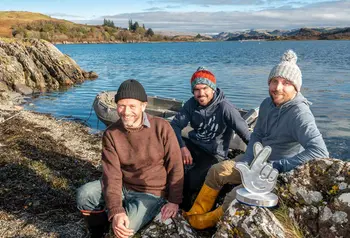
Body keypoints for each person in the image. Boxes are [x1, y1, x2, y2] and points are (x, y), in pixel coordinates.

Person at [184, 49, 329, 230]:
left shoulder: (300, 114)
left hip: (274, 172)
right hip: (254, 161)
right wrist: (247, 159)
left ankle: (206, 223)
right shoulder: (267, 103)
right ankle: (195, 212)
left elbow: (320, 151)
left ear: (296, 87)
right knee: (217, 171)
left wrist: (279, 166)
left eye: (286, 83)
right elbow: (258, 134)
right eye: (274, 81)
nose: (278, 88)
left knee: (235, 196)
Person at [76, 79, 184, 238]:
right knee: (84, 195)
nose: (126, 111)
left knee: (124, 232)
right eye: (121, 105)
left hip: (151, 193)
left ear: (143, 106)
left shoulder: (162, 127)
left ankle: (115, 227)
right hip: (122, 185)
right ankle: (98, 231)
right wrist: (116, 210)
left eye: (132, 106)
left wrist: (174, 201)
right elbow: (111, 174)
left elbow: (175, 166)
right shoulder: (111, 134)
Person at [170, 67, 251, 210]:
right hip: (194, 145)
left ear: (213, 89)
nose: (201, 94)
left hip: (213, 154)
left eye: (205, 88)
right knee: (167, 157)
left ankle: (185, 210)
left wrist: (256, 157)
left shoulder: (225, 108)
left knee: (190, 180)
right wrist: (182, 147)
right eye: (196, 89)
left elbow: (246, 134)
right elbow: (175, 125)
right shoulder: (191, 104)